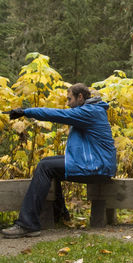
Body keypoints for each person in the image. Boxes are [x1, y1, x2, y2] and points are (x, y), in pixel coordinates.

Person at [1, 83, 117, 238]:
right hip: (95, 164)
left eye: (70, 99)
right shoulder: (91, 110)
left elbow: (56, 114)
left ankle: (27, 224)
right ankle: (61, 214)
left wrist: (25, 112)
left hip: (97, 167)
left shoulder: (90, 112)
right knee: (48, 163)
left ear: (80, 97)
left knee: (45, 166)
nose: (67, 103)